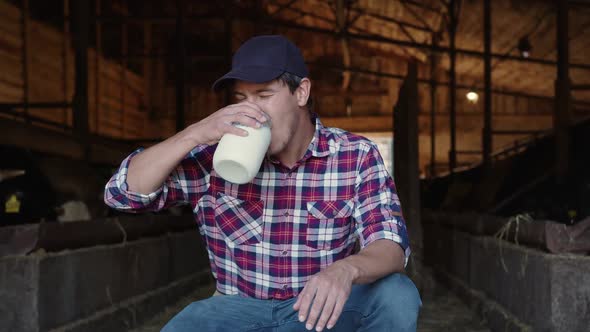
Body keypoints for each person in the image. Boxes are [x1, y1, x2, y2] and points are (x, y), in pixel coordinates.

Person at [104, 35, 421, 332]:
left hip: (318, 315)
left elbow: (391, 245)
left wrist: (345, 270)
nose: (251, 110)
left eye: (264, 95)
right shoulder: (212, 157)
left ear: (301, 92)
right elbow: (123, 195)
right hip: (237, 314)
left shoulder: (355, 156)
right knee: (193, 321)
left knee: (396, 294)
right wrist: (196, 132)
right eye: (241, 97)